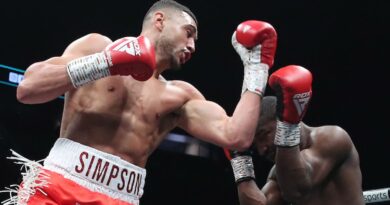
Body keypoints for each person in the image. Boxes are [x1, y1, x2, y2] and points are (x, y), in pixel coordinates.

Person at [6, 0, 278, 204]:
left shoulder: (179, 96)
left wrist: (256, 68)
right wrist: (105, 63)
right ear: (160, 20)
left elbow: (236, 136)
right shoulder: (98, 47)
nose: (193, 45)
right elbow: (28, 89)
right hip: (57, 187)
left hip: (120, 198)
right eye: (188, 32)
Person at [225, 65, 365, 205]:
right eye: (255, 146)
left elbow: (297, 191)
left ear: (280, 120)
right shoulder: (279, 173)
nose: (262, 150)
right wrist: (240, 163)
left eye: (263, 135)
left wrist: (287, 126)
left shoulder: (332, 138)